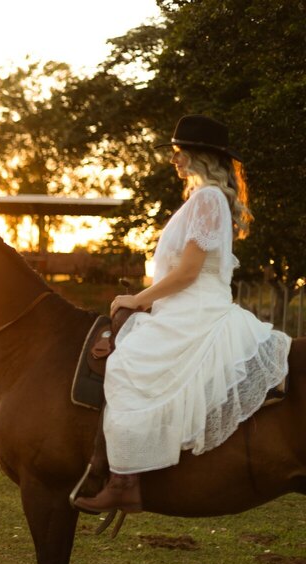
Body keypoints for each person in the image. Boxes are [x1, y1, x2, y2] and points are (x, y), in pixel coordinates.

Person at [75, 115, 292, 513]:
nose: (174, 159)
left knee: (126, 365)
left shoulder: (208, 199)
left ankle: (124, 482)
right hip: (180, 304)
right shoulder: (202, 199)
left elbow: (189, 272)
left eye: (179, 152)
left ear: (199, 155)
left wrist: (139, 300)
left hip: (194, 308)